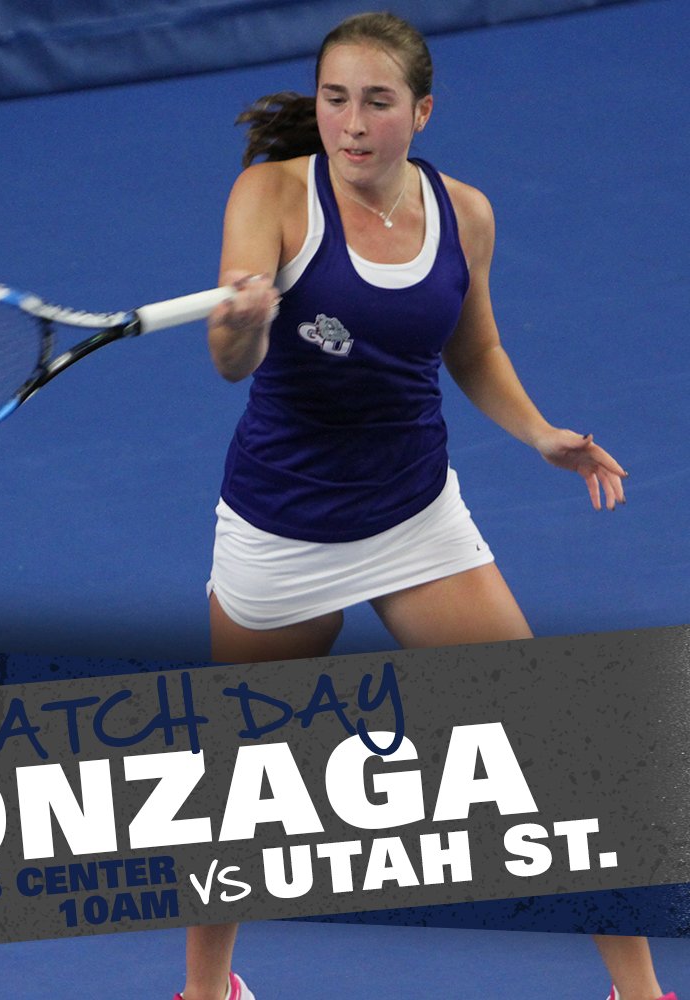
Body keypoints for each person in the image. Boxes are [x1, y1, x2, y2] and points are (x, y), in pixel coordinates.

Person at [179, 12, 676, 1000]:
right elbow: (230, 362)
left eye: (376, 102)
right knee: (244, 782)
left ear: (421, 112)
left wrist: (540, 433)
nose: (351, 123)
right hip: (282, 529)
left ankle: (639, 992)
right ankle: (205, 991)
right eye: (333, 99)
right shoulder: (269, 195)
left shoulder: (465, 214)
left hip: (414, 515)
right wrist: (243, 321)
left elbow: (473, 346)